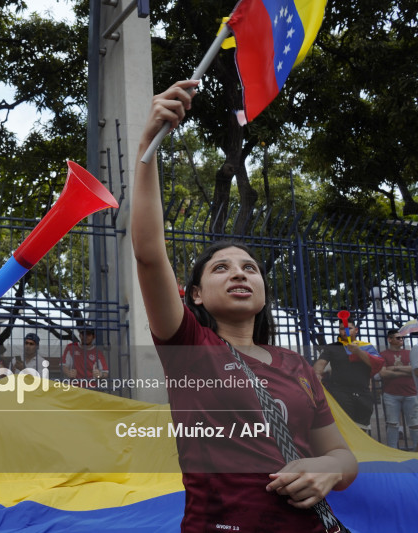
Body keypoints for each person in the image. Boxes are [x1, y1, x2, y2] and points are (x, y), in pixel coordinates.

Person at [131, 80, 356, 532]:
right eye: (221, 269)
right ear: (195, 295)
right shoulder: (188, 349)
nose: (239, 273)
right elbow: (149, 253)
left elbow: (342, 455)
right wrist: (148, 147)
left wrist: (329, 470)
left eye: (249, 268)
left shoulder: (297, 366)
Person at [314, 320, 384, 429]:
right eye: (342, 329)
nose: (345, 331)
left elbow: (376, 364)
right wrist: (317, 374)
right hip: (340, 393)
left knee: (361, 430)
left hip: (363, 394)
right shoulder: (332, 347)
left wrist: (358, 351)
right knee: (343, 429)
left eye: (349, 328)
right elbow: (321, 362)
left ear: (356, 330)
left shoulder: (366, 347)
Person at [379, 329, 418, 449]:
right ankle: (392, 450)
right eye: (398, 338)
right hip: (391, 394)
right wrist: (407, 370)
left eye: (402, 338)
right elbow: (383, 374)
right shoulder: (383, 354)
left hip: (411, 393)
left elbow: (415, 371)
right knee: (392, 424)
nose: (401, 340)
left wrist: (394, 369)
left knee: (414, 424)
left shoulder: (410, 352)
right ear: (389, 339)